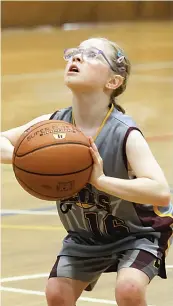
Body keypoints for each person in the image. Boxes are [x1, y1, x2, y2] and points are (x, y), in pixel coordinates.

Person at [1, 37, 172, 306]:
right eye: (74, 53)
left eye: (91, 55)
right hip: (85, 236)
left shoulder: (124, 132)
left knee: (128, 289)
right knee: (57, 293)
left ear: (113, 82)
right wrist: (28, 160)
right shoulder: (52, 126)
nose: (76, 58)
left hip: (137, 233)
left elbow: (161, 193)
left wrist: (101, 180)